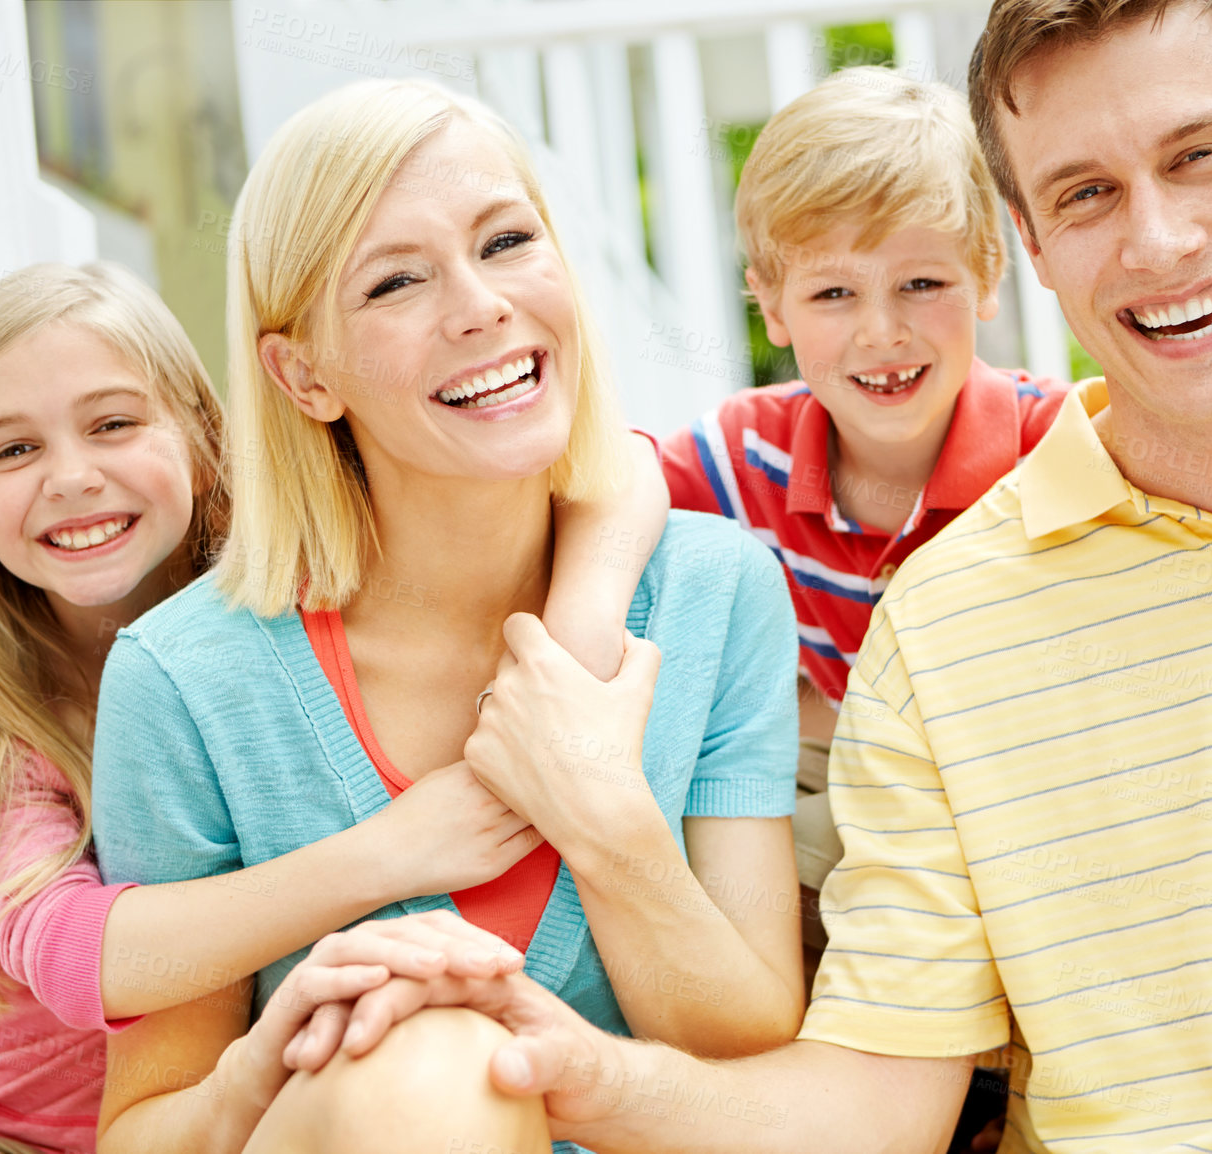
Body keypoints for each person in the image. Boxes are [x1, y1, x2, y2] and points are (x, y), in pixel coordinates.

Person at [285, 3, 1212, 1153]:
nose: (1162, 236)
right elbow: (872, 1098)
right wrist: (591, 1074)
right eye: (1085, 193)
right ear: (1034, 232)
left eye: (1200, 154)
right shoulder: (936, 614)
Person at [657, 65, 1212, 954]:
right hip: (864, 777)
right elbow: (596, 487)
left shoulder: (1059, 443)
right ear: (770, 304)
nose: (881, 330)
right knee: (758, 835)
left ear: (988, 276)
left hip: (1030, 772)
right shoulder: (740, 454)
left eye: (921, 285)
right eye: (832, 294)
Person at [86, 78, 804, 1153]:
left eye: (507, 240)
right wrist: (263, 1064)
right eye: (396, 282)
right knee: (421, 1066)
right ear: (303, 373)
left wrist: (600, 808)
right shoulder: (186, 680)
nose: (479, 304)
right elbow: (141, 1130)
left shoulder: (712, 592)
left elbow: (749, 1057)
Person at [0, 262, 663, 1154]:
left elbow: (626, 460)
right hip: (13, 1138)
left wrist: (582, 618)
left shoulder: (281, 596)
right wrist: (385, 855)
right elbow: (87, 958)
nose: (71, 477)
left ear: (207, 437)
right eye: (13, 450)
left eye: (113, 424)